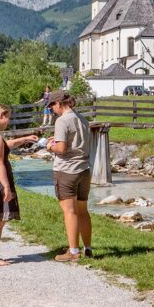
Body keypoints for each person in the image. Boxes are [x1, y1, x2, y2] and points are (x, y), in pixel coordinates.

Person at [0, 104, 38, 267]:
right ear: (1, 116)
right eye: (8, 116)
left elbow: (4, 146)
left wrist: (24, 139)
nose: (9, 120)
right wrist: (6, 187)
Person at [48, 90, 93, 261]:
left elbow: (61, 149)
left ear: (58, 104)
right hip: (84, 170)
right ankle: (87, 248)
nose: (52, 110)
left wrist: (49, 146)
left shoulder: (62, 120)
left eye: (52, 106)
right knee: (83, 211)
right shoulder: (82, 119)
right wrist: (58, 140)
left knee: (69, 212)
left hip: (67, 170)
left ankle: (73, 252)